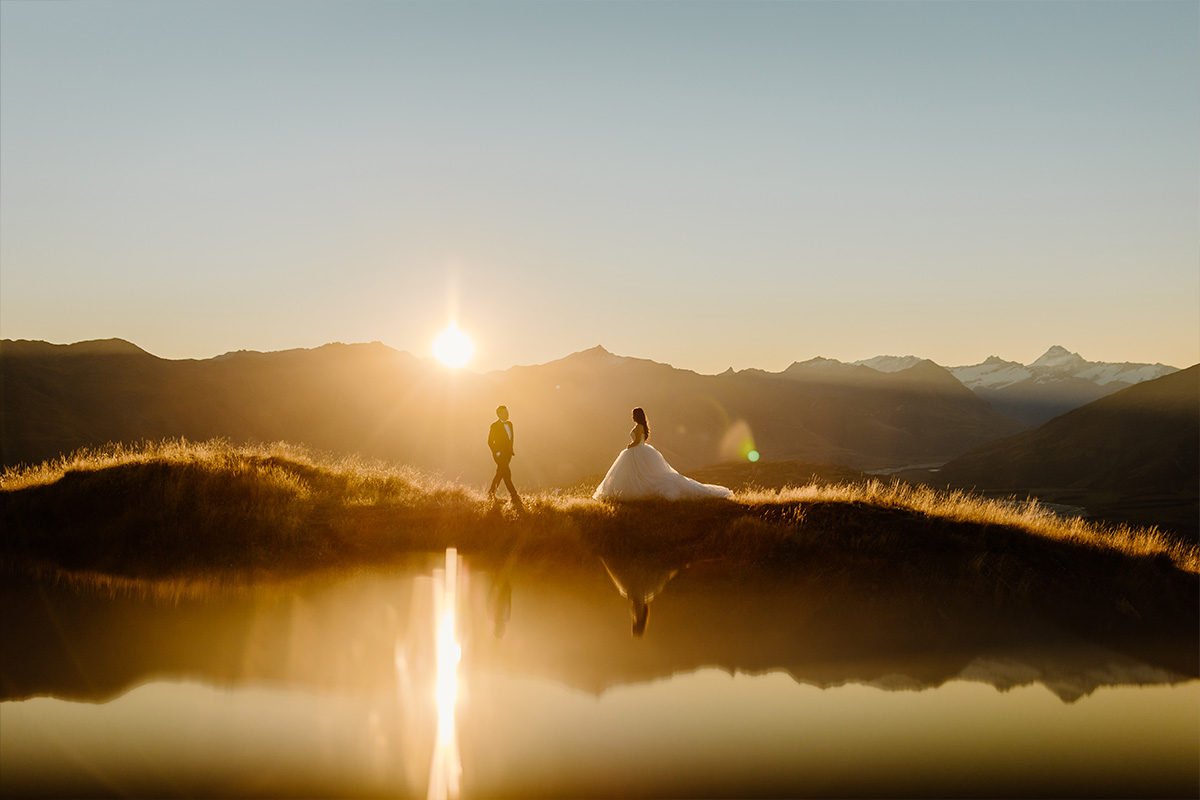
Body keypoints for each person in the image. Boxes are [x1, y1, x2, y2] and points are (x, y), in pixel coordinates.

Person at [592, 407, 733, 501]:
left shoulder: (639, 427)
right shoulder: (640, 426)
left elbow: (638, 440)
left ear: (637, 416)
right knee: (640, 473)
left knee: (642, 473)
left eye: (633, 415)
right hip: (637, 451)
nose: (632, 416)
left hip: (637, 450)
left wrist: (630, 446)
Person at [487, 405, 522, 507]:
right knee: (507, 474)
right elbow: (490, 441)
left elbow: (511, 438)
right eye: (504, 412)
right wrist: (496, 452)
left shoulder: (510, 424)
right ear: (498, 414)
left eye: (507, 412)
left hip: (508, 454)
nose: (507, 414)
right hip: (499, 455)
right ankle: (514, 496)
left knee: (500, 474)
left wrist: (511, 450)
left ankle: (491, 493)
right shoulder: (494, 426)